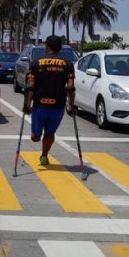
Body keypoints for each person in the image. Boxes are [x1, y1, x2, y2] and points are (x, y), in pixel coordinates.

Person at [23, 35, 76, 165]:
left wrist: (27, 105)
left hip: (40, 107)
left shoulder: (36, 62)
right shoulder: (68, 64)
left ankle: (44, 155)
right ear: (60, 48)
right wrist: (71, 107)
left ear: (47, 46)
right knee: (47, 134)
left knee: (36, 137)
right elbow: (70, 88)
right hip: (57, 108)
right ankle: (45, 153)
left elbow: (30, 86)